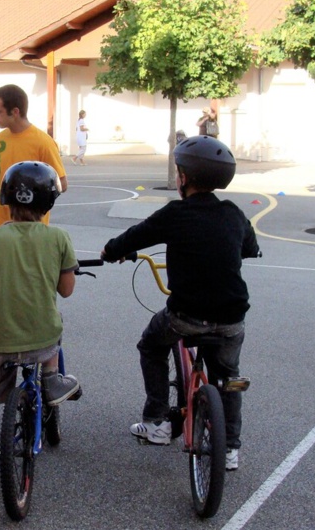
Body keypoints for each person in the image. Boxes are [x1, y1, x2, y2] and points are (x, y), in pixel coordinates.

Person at [100, 136, 259, 472]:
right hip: (232, 319)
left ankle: (156, 422)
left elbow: (136, 236)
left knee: (151, 345)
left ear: (184, 178)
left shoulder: (176, 213)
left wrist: (111, 250)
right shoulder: (233, 214)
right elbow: (249, 247)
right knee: (228, 376)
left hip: (186, 316)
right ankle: (230, 447)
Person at [0, 161, 81, 484]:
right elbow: (66, 290)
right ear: (49, 201)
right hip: (42, 342)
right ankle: (51, 378)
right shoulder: (59, 238)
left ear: (6, 199)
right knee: (54, 322)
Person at [0, 83, 68, 358]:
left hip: (33, 227)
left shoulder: (42, 141)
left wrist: (32, 193)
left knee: (33, 285)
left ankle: (41, 333)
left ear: (15, 111)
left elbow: (61, 183)